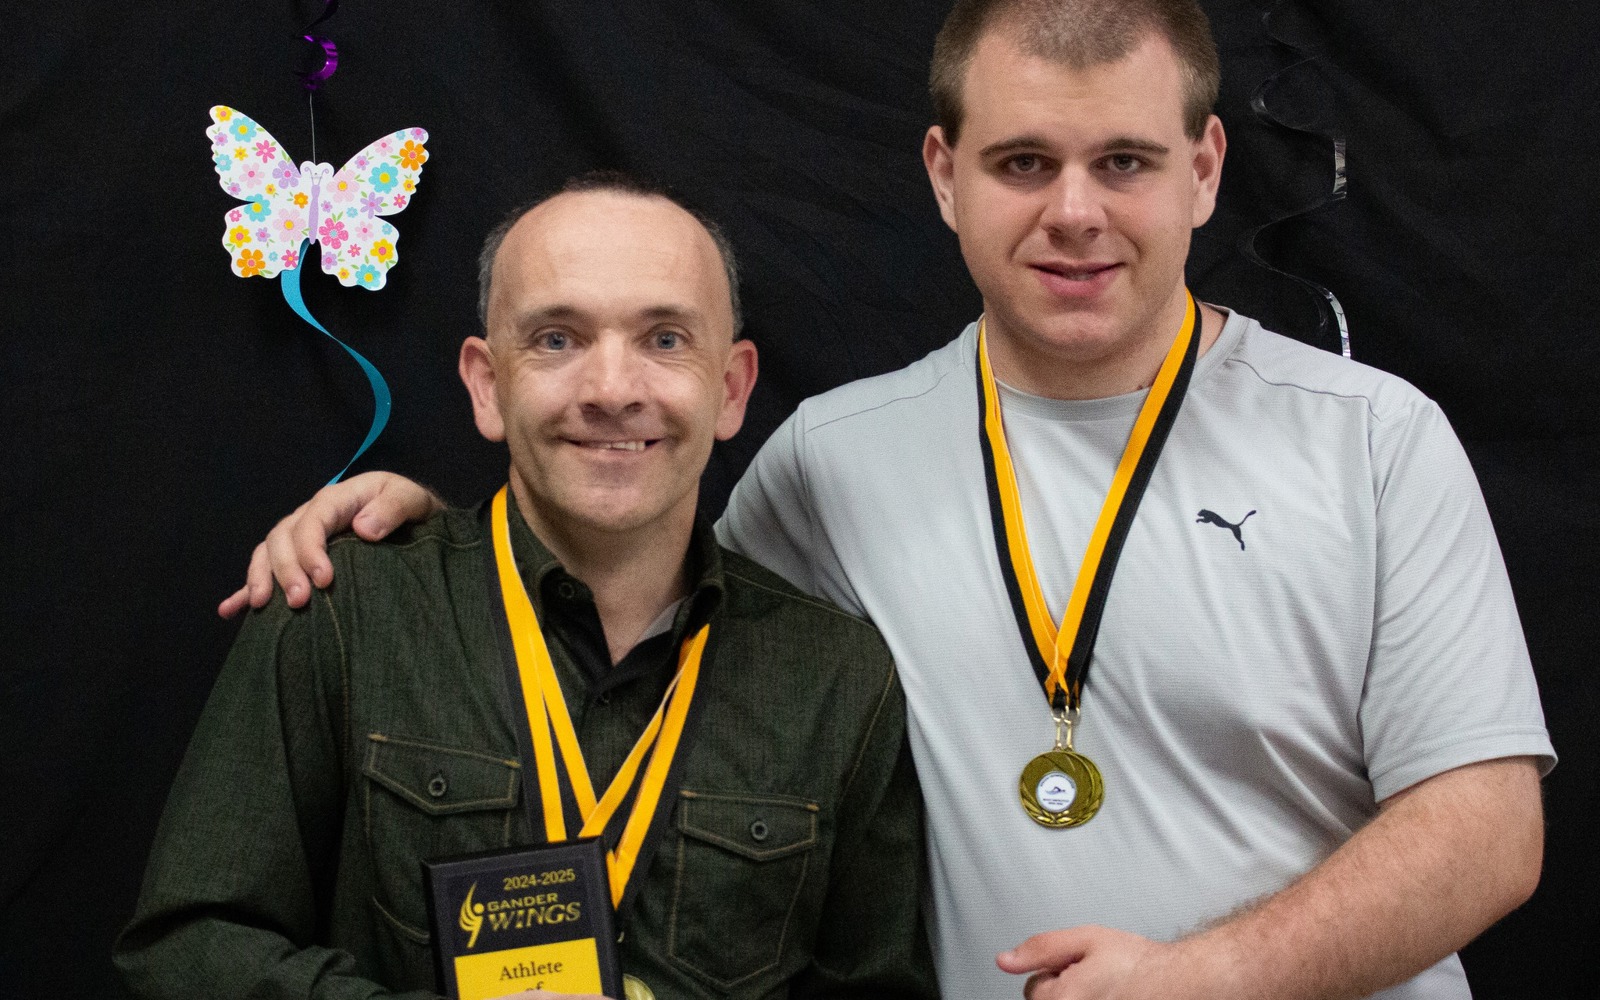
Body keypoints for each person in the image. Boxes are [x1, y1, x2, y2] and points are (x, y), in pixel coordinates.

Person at [222, 2, 1554, 998]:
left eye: (1127, 163)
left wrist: (1199, 979)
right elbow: (622, 609)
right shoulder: (834, 458)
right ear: (943, 173)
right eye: (1024, 161)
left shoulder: (1372, 439)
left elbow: (1491, 835)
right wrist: (429, 524)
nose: (1076, 212)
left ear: (1206, 168)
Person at [117, 173, 937, 1000]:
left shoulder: (837, 678)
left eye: (663, 340)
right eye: (556, 339)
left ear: (730, 389)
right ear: (485, 384)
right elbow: (185, 947)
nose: (612, 391)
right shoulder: (344, 611)